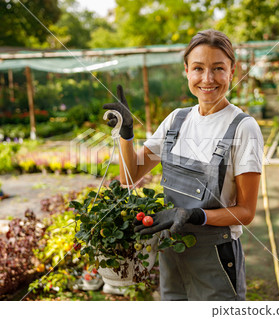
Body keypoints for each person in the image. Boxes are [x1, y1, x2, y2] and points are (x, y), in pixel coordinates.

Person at [103, 29, 263, 301]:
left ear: (232, 71)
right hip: (171, 252)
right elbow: (129, 177)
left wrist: (196, 215)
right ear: (186, 71)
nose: (208, 79)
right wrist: (125, 134)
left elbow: (246, 212)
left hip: (215, 258)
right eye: (198, 68)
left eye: (218, 69)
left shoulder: (243, 128)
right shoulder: (176, 120)